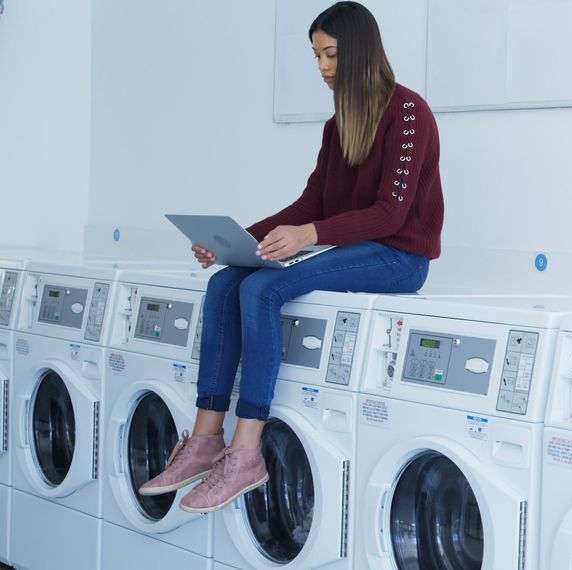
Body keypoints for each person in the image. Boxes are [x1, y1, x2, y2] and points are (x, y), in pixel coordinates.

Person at [138, 1, 443, 513]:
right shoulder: (337, 125)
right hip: (353, 249)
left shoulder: (408, 113)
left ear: (361, 52)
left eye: (332, 54)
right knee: (225, 281)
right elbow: (313, 204)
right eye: (317, 56)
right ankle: (207, 436)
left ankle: (246, 451)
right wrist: (240, 238)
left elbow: (391, 215)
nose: (323, 67)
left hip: (399, 259)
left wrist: (309, 234)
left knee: (262, 287)